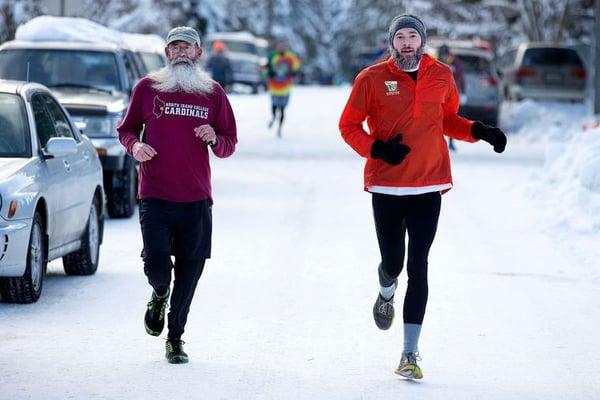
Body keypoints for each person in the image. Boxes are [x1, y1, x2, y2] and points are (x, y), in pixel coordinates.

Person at [339, 14, 506, 379]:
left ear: (423, 40)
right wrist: (377, 149)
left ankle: (409, 353)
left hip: (429, 184)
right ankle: (385, 291)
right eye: (401, 37)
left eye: (413, 36)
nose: (407, 43)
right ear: (392, 43)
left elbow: (447, 120)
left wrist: (480, 130)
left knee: (419, 265)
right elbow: (348, 125)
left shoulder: (441, 75)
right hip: (386, 185)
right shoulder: (371, 79)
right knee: (394, 264)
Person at [117, 26, 237, 364]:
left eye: (187, 47)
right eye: (174, 47)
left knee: (190, 272)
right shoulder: (147, 89)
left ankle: (175, 338)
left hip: (196, 198)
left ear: (199, 53)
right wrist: (135, 145)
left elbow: (229, 142)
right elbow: (126, 129)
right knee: (156, 263)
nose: (181, 52)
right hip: (155, 193)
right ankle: (159, 293)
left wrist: (215, 136)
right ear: (166, 54)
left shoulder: (212, 93)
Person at [263, 40, 301, 138]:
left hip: (285, 88)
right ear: (277, 47)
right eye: (280, 46)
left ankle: (279, 129)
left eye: (283, 46)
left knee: (283, 110)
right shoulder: (272, 56)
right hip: (274, 88)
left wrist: (294, 73)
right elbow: (265, 69)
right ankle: (273, 118)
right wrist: (268, 73)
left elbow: (297, 67)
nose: (281, 48)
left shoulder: (291, 57)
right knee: (274, 108)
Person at [437, 44, 466, 151]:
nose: (443, 56)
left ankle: (451, 142)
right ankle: (437, 140)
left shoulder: (455, 62)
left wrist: (463, 92)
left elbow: (461, 77)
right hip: (438, 94)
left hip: (451, 94)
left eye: (445, 54)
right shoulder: (435, 61)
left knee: (451, 118)